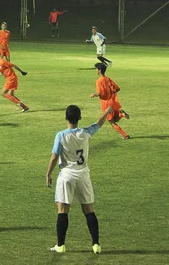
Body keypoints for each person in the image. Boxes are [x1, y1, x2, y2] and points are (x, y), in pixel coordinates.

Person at [46, 105, 114, 254]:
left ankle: (61, 245)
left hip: (66, 176)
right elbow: (98, 124)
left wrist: (48, 174)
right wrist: (107, 111)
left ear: (66, 118)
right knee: (89, 211)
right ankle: (96, 245)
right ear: (80, 118)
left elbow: (54, 156)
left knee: (62, 211)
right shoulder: (85, 133)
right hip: (83, 176)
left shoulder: (61, 135)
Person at [90, 62, 130, 139]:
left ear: (100, 70)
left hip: (107, 105)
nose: (96, 70)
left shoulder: (99, 81)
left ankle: (125, 135)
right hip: (114, 102)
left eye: (96, 69)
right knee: (115, 119)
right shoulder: (108, 79)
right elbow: (117, 88)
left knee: (112, 122)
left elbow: (100, 93)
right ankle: (121, 114)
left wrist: (94, 94)